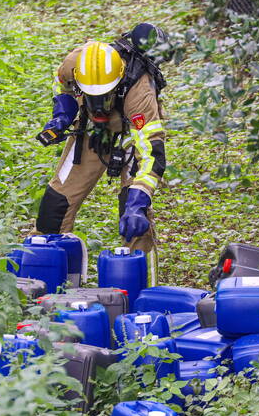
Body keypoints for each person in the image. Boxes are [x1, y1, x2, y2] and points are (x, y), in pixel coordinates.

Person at [34, 23, 169, 285]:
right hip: (91, 128)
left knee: (133, 220)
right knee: (55, 205)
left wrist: (138, 199)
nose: (100, 99)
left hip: (130, 131)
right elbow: (61, 85)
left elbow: (152, 152)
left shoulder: (139, 92)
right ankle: (46, 282)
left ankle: (143, 291)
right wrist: (62, 116)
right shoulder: (73, 63)